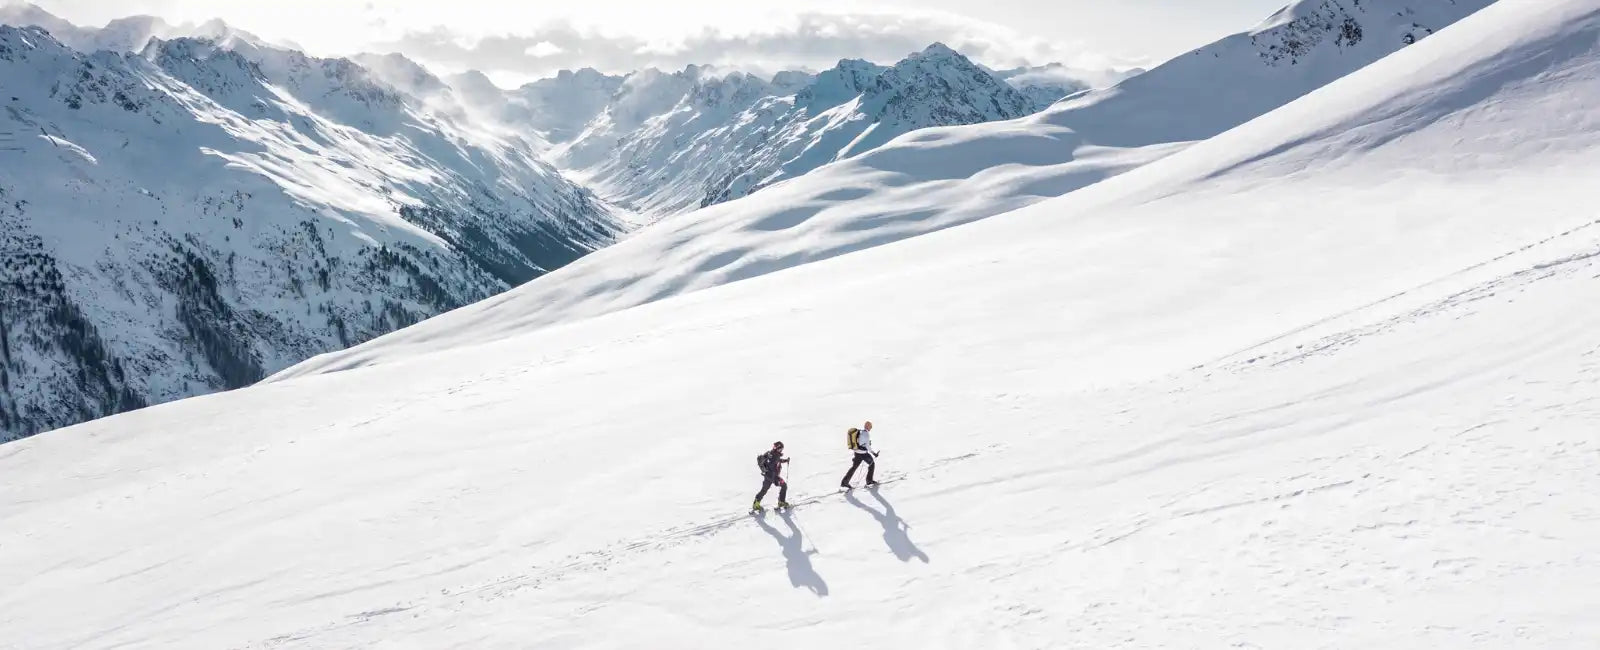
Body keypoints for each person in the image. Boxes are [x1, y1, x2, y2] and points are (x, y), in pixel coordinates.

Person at [753, 441, 790, 511]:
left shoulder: (769, 453)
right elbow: (775, 461)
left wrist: (785, 460)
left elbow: (777, 460)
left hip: (767, 476)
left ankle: (756, 504)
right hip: (774, 477)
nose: (781, 450)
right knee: (784, 485)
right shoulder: (775, 455)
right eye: (781, 449)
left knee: (764, 490)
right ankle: (781, 502)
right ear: (778, 448)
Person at [841, 420, 879, 488]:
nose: (871, 428)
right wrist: (874, 453)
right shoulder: (866, 434)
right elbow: (867, 446)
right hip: (863, 454)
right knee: (872, 464)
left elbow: (860, 443)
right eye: (870, 427)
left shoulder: (860, 432)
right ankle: (869, 480)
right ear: (868, 427)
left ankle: (845, 482)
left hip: (857, 453)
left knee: (854, 467)